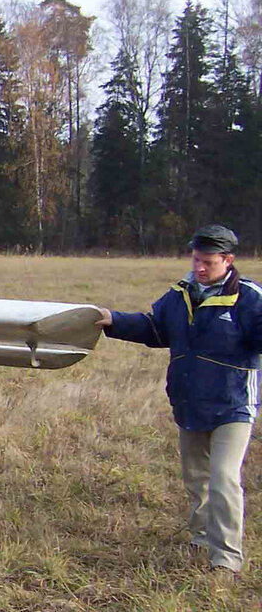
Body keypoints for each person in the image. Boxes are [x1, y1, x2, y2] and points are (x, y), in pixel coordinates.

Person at [96, 224, 258, 574]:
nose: (199, 267)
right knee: (196, 478)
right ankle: (201, 540)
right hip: (189, 403)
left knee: (223, 477)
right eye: (196, 259)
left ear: (228, 261)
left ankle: (226, 559)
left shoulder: (248, 298)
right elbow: (155, 329)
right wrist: (112, 320)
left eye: (208, 262)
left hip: (232, 405)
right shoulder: (180, 294)